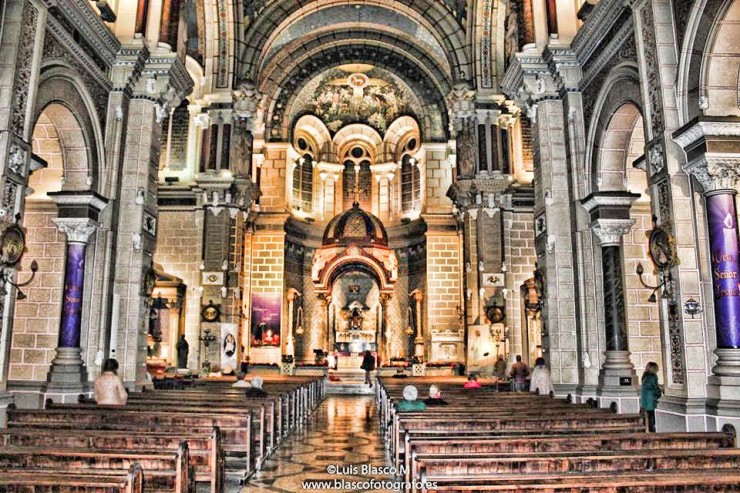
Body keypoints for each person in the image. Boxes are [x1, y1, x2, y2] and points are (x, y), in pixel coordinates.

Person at [641, 362, 662, 432]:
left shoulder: (645, 376)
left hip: (645, 400)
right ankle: (651, 430)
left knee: (647, 416)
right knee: (651, 417)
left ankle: (648, 429)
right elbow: (655, 387)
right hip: (651, 400)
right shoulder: (652, 377)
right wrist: (659, 393)